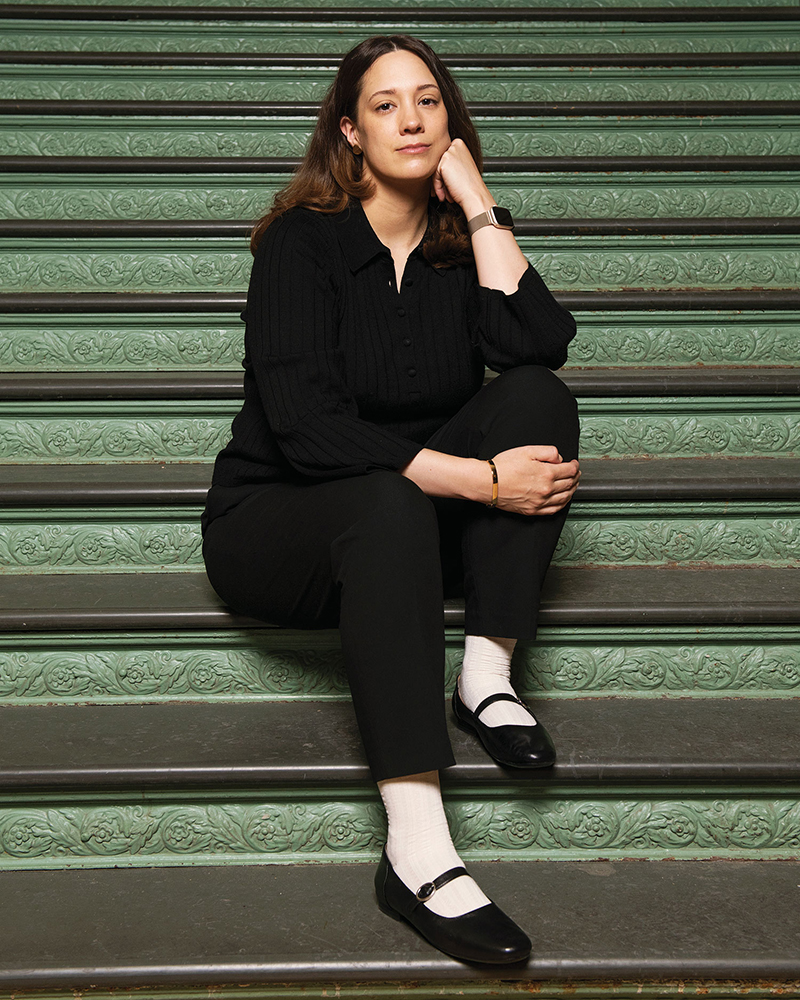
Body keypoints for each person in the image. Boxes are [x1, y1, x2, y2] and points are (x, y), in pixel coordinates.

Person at [202, 34, 580, 965]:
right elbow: (308, 430)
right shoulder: (302, 243)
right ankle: (417, 849)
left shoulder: (459, 251)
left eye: (428, 102)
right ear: (349, 131)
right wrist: (483, 481)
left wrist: (481, 206)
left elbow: (540, 341)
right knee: (382, 496)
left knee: (536, 396)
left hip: (405, 525)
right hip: (280, 523)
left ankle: (485, 674)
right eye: (384, 104)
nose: (410, 119)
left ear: (451, 123)